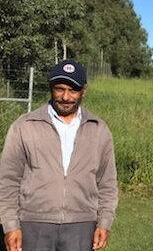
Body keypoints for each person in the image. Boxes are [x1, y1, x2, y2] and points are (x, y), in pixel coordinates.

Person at [0, 59, 118, 251]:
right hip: (33, 224)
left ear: (84, 91)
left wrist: (104, 222)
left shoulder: (99, 130)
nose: (65, 97)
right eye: (59, 89)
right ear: (51, 88)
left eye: (73, 90)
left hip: (82, 225)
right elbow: (7, 181)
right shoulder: (25, 126)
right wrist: (10, 225)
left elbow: (107, 183)